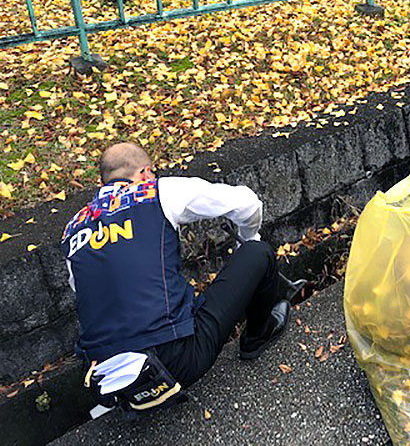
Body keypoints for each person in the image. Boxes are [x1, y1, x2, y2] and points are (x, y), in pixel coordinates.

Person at [60, 142, 289, 413]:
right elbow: (247, 203)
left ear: (103, 182)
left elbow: (82, 288)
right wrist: (247, 241)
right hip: (174, 362)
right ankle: (256, 337)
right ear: (145, 172)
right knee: (258, 253)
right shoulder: (155, 191)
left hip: (105, 383)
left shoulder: (72, 228)